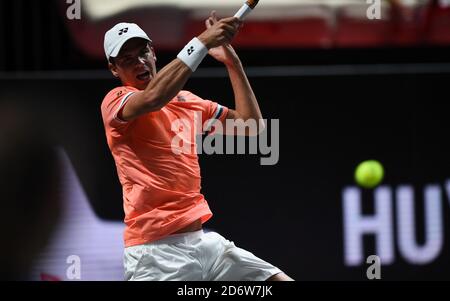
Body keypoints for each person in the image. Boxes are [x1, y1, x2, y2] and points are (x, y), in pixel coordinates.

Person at [101, 11, 293, 281]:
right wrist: (202, 41)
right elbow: (154, 97)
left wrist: (232, 63)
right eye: (127, 60)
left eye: (143, 53)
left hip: (204, 244)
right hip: (155, 255)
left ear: (154, 53)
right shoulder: (116, 101)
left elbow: (251, 126)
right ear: (114, 69)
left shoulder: (186, 101)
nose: (140, 62)